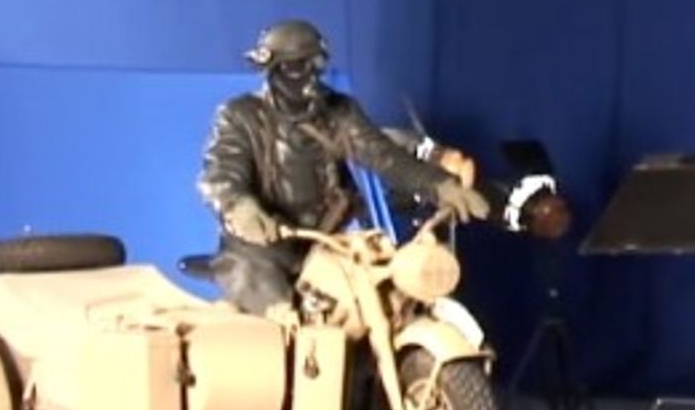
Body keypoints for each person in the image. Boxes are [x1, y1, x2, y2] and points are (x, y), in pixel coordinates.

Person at [197, 18, 490, 321]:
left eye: (315, 64)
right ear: (273, 70)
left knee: (386, 298)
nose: (310, 77)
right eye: (297, 67)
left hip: (326, 243)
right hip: (260, 248)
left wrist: (439, 185)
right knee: (277, 312)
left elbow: (383, 156)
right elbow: (221, 172)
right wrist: (239, 206)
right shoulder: (240, 116)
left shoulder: (340, 112)